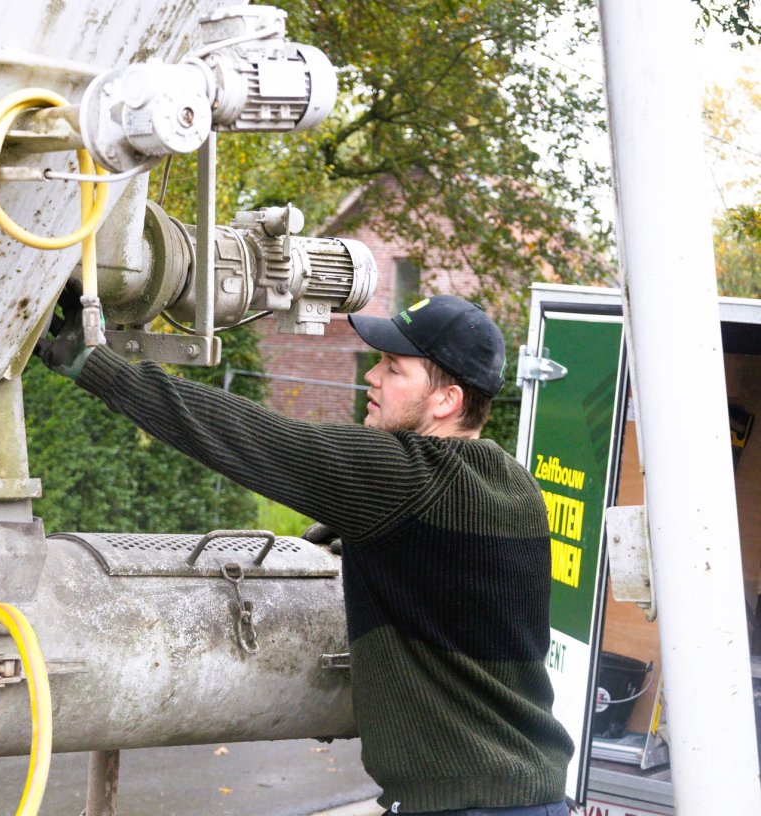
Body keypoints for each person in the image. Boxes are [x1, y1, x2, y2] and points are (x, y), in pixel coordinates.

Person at [35, 290, 574, 815]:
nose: (371, 376)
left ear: (446, 400)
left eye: (393, 367)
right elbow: (451, 565)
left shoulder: (401, 475)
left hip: (467, 805)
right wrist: (366, 534)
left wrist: (95, 364)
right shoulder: (513, 485)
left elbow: (253, 439)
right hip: (533, 790)